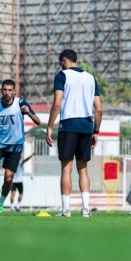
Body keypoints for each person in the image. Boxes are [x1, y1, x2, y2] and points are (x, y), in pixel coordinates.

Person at [46, 49, 103, 218]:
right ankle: (86, 209)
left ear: (64, 60)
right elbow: (99, 108)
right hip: (86, 126)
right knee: (83, 168)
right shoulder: (91, 78)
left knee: (66, 168)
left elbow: (57, 103)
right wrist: (96, 131)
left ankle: (66, 210)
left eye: (60, 62)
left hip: (69, 125)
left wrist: (50, 126)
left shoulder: (62, 75)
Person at [0, 79, 41, 215]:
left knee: (8, 178)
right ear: (1, 90)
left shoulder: (20, 103)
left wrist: (28, 112)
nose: (7, 92)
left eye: (9, 90)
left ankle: (0, 203)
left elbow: (38, 121)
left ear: (14, 91)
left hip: (15, 145)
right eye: (4, 90)